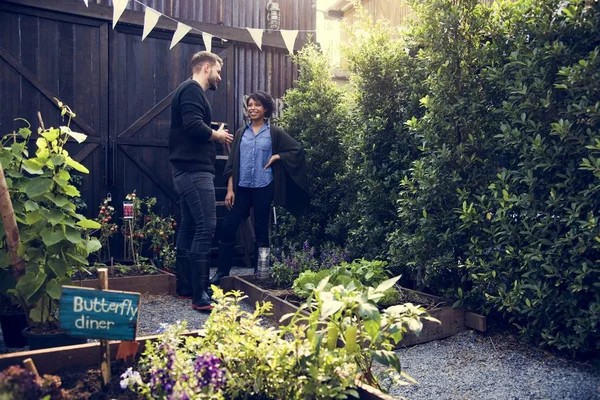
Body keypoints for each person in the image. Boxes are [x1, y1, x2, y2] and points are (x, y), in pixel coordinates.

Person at [210, 91, 309, 285]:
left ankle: (260, 275)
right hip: (242, 188)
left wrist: (277, 157)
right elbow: (231, 164)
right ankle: (221, 273)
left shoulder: (274, 133)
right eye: (250, 105)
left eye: (257, 105)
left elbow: (296, 149)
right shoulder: (241, 133)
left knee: (262, 231)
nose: (252, 108)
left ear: (265, 109)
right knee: (229, 226)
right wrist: (230, 190)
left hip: (264, 186)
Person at [169, 51, 233, 311]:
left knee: (189, 225)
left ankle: (186, 288)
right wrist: (217, 136)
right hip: (194, 170)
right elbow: (193, 126)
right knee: (206, 226)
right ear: (206, 67)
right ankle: (200, 295)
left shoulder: (188, 91)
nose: (219, 76)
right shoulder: (193, 90)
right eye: (218, 70)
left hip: (186, 169)